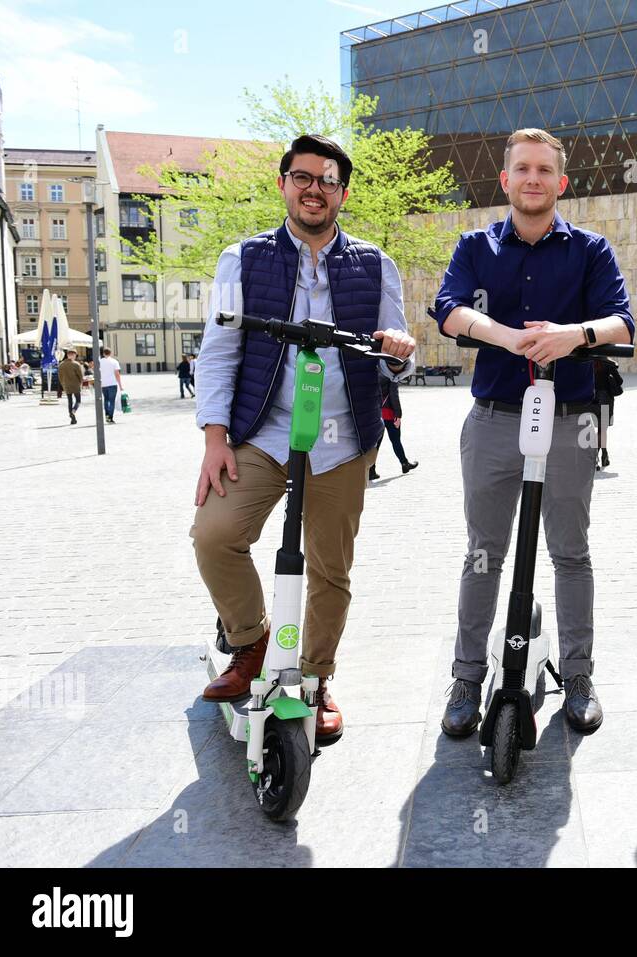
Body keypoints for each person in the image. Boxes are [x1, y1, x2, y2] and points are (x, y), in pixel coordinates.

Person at [191, 133, 416, 743]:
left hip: (343, 437)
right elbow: (218, 352)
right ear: (284, 183)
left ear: (342, 193)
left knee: (330, 569)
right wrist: (215, 440)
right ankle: (251, 643)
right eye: (303, 177)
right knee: (214, 535)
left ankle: (315, 680)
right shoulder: (243, 259)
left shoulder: (374, 264)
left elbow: (396, 354)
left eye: (328, 180)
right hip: (262, 430)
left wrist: (399, 351)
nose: (314, 189)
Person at [431, 127, 634, 738]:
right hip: (494, 418)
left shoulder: (591, 250)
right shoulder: (474, 245)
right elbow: (448, 310)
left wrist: (571, 336)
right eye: (522, 168)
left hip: (570, 421)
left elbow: (621, 323)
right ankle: (468, 677)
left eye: (545, 170)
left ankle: (577, 674)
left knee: (571, 552)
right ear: (505, 180)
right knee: (482, 553)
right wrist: (509, 335)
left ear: (561, 182)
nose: (533, 179)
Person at [371, 376, 417, 480]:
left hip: (377, 413)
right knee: (396, 441)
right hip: (390, 415)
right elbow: (394, 396)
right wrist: (398, 415)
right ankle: (405, 464)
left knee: (376, 444)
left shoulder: (374, 373)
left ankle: (371, 470)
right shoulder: (392, 377)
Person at [58, 349, 83, 424]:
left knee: (70, 401)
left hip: (66, 385)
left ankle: (72, 418)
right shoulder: (76, 364)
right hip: (75, 385)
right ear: (73, 355)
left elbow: (60, 376)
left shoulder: (61, 364)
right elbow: (80, 376)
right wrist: (80, 382)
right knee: (78, 401)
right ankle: (74, 410)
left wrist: (63, 383)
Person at [99, 348, 123, 423]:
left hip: (103, 384)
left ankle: (106, 415)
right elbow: (117, 374)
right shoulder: (114, 361)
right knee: (112, 401)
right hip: (112, 383)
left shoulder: (100, 361)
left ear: (103, 353)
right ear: (110, 353)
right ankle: (110, 417)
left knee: (106, 400)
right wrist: (120, 385)